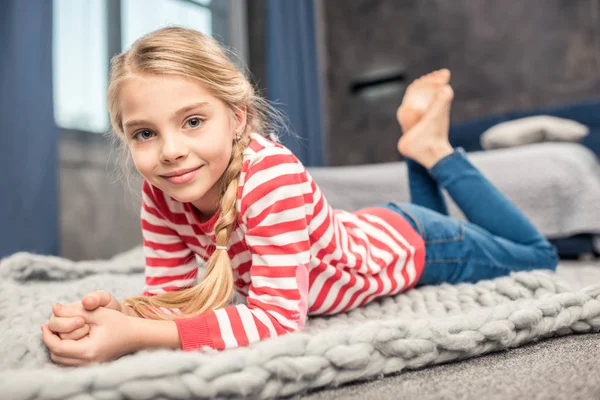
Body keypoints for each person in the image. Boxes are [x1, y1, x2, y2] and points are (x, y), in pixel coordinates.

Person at [41, 27, 558, 366]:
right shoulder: (162, 193)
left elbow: (278, 322)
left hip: (420, 245)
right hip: (380, 225)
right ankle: (419, 147)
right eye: (144, 134)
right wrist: (123, 317)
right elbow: (173, 300)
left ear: (237, 117)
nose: (170, 152)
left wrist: (137, 336)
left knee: (539, 257)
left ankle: (436, 151)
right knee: (436, 221)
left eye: (193, 121)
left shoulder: (271, 179)